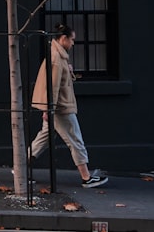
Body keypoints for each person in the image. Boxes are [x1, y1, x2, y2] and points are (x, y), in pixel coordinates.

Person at [29, 23, 108, 188]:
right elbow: (53, 86)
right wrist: (47, 108)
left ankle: (21, 167)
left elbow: (57, 83)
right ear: (63, 38)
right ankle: (86, 177)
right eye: (71, 39)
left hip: (56, 106)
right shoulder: (57, 59)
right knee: (75, 138)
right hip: (60, 108)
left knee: (44, 137)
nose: (73, 43)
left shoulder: (58, 56)